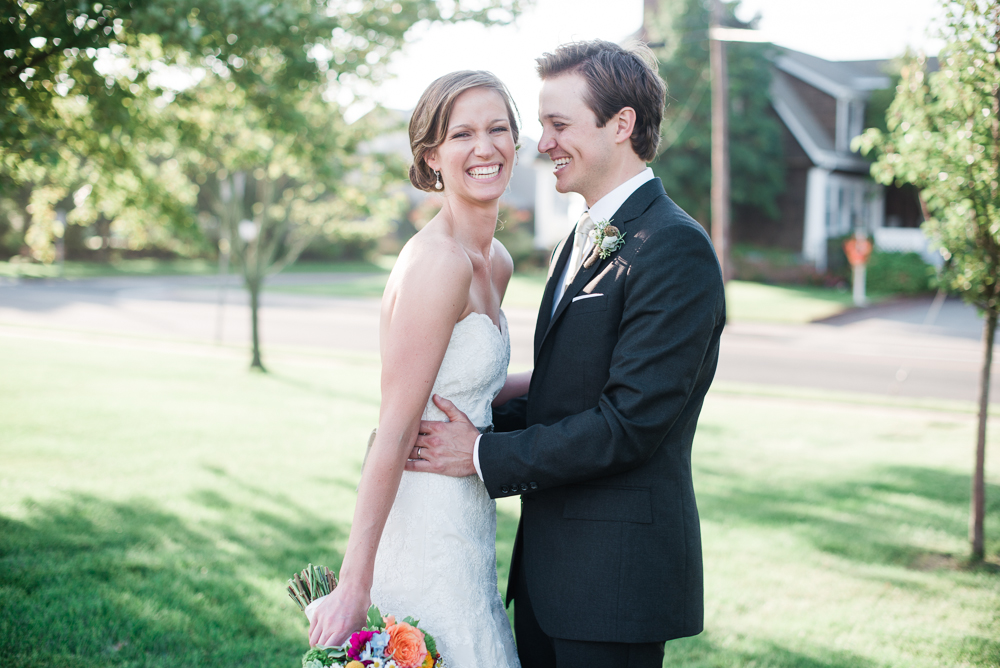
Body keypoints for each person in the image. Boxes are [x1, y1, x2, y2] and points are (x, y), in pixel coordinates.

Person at [406, 40, 726, 668]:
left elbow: (627, 425)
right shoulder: (582, 237)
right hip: (549, 576)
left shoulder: (673, 249)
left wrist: (477, 453)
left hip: (615, 585)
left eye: (559, 124)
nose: (542, 142)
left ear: (621, 124)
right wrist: (476, 404)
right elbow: (570, 389)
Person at [306, 70, 523, 668]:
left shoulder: (494, 261)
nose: (485, 147)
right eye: (462, 134)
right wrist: (355, 584)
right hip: (425, 516)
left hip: (469, 513)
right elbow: (395, 428)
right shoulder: (438, 263)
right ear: (432, 155)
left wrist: (588, 379)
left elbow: (468, 387)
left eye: (498, 128)